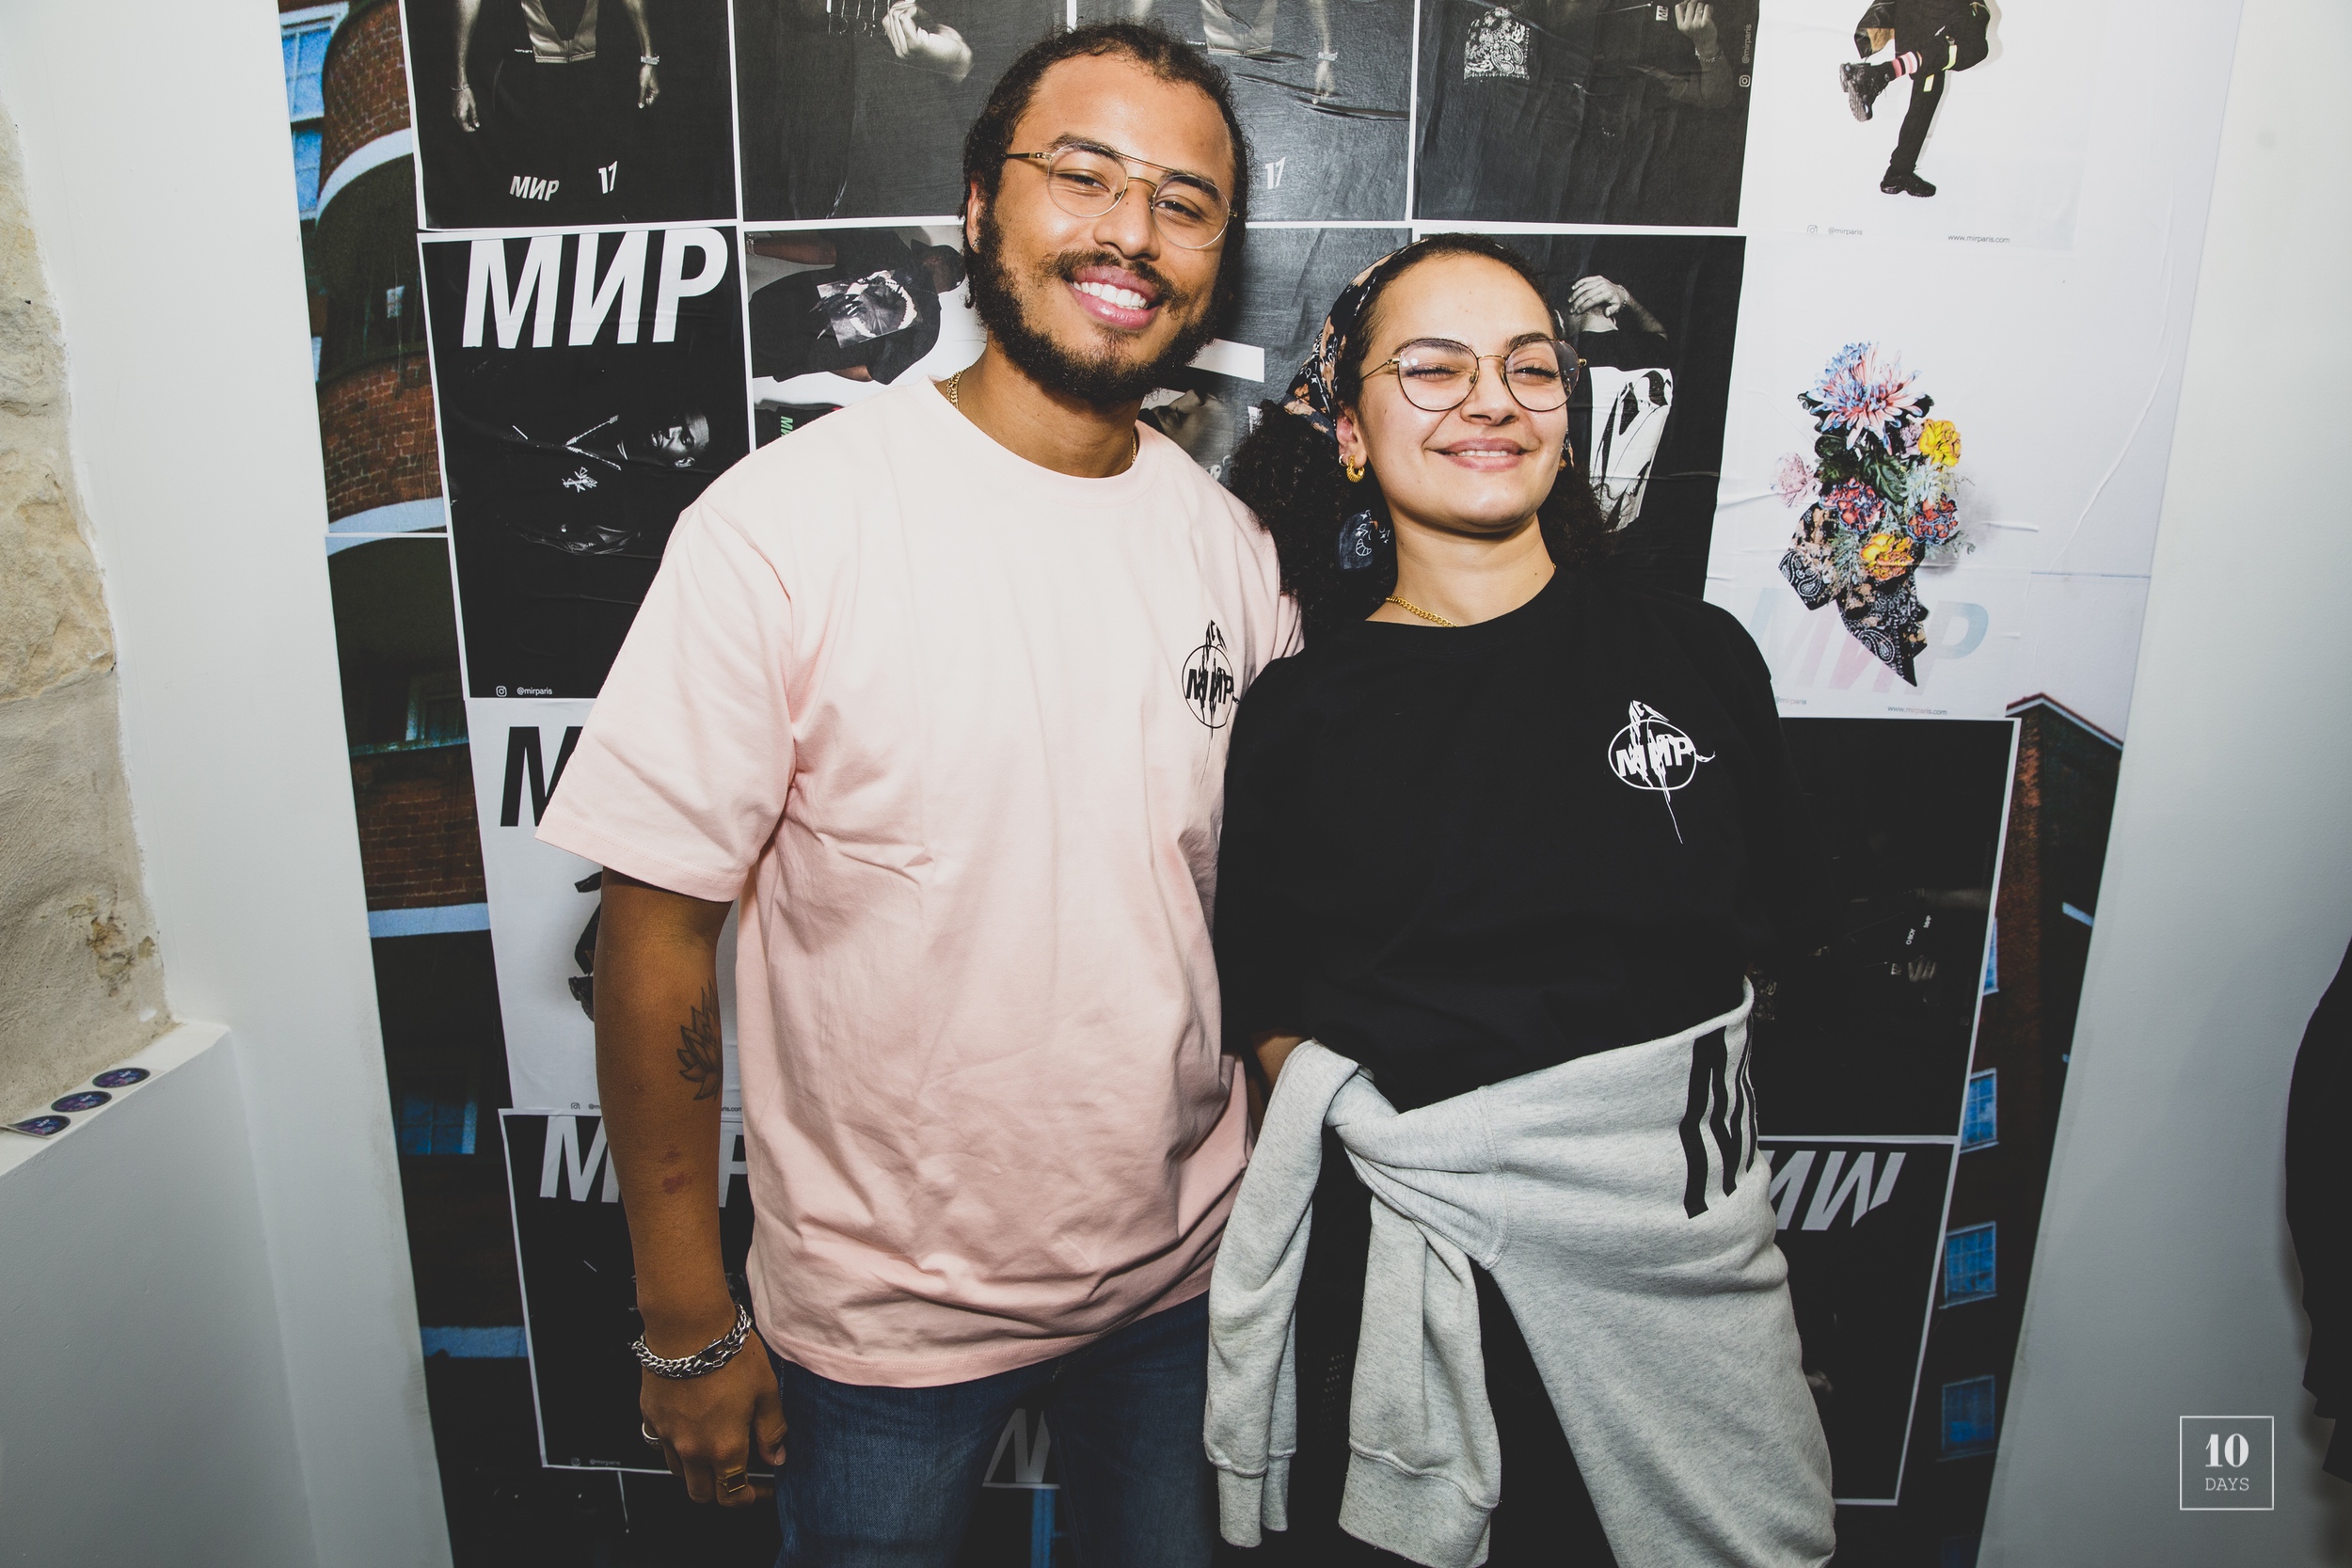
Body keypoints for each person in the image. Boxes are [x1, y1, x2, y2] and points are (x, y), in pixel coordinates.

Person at [534, 22, 1298, 1565]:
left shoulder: (1230, 549)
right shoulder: (785, 524)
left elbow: (1264, 911)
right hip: (881, 1331)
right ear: (976, 204)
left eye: (1184, 202)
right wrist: (685, 1317)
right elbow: (656, 934)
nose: (1131, 233)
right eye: (1082, 175)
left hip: (1183, 1288)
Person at [1203, 234, 1836, 1565]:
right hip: (1418, 1296)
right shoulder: (1301, 712)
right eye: (1433, 368)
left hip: (1689, 1270)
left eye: (1529, 368)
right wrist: (1420, 1142)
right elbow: (1260, 994)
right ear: (1353, 431)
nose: (1489, 399)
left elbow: (1778, 932)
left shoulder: (1698, 655)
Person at [451, 0, 661, 219]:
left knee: (599, 201)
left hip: (592, 76)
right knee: (530, 203)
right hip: (528, 78)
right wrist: (460, 83)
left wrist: (649, 59)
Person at [746, 231, 967, 387]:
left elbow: (824, 251)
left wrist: (752, 246)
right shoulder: (928, 333)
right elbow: (867, 374)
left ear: (934, 258)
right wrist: (814, 358)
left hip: (780, 305)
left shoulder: (892, 246)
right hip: (787, 355)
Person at [1838, 0, 1993, 197]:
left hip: (1918, 18)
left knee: (1928, 92)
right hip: (1929, 16)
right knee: (1973, 45)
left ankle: (1898, 173)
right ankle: (1877, 75)